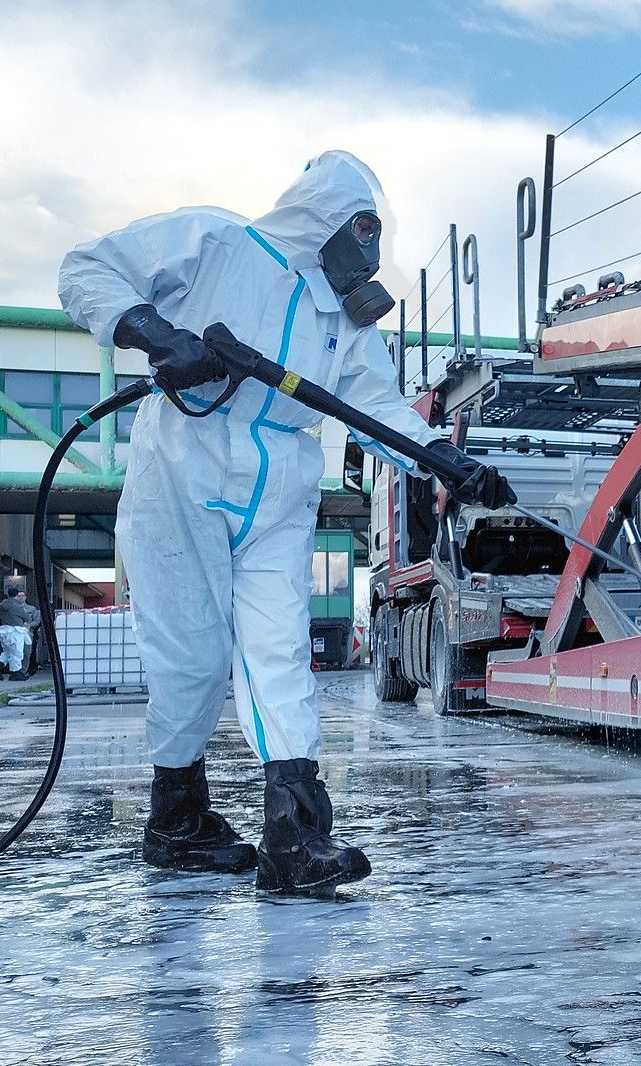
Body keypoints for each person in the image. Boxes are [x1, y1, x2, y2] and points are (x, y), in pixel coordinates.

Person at [57, 151, 511, 895]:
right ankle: (175, 821)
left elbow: (375, 408)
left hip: (281, 485)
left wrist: (441, 456)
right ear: (324, 216)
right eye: (363, 226)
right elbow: (87, 268)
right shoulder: (218, 242)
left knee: (278, 652)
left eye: (376, 232)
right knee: (193, 656)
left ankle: (296, 835)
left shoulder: (346, 320)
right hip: (184, 462)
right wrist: (155, 332)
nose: (370, 247)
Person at [0, 587, 41, 680]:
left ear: (8, 594)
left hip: (4, 631)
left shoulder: (2, 605)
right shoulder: (17, 606)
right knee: (16, 653)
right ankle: (15, 674)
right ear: (16, 595)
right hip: (16, 632)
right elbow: (27, 618)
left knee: (8, 652)